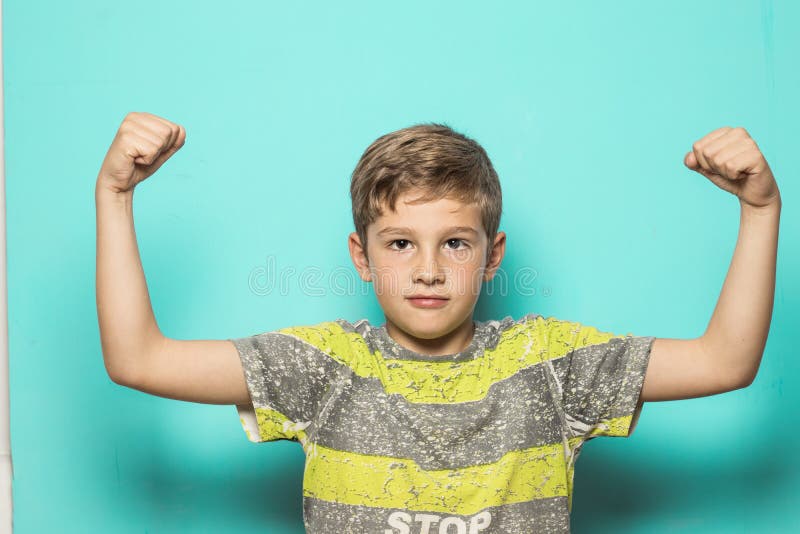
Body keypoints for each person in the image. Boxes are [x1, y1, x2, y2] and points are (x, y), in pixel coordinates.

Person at [95, 112, 781, 533]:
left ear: (492, 256)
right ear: (361, 256)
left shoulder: (547, 362)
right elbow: (139, 359)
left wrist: (760, 211)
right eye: (400, 244)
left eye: (454, 242)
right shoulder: (322, 366)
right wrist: (115, 195)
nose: (428, 269)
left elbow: (725, 360)